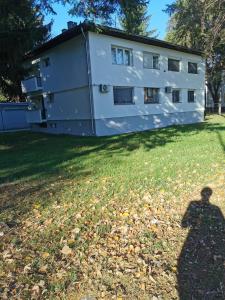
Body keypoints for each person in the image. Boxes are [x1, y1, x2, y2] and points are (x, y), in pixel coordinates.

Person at [177, 187, 225, 299]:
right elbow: (184, 224)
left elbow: (184, 224)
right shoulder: (215, 209)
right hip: (198, 242)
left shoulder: (198, 205)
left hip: (198, 242)